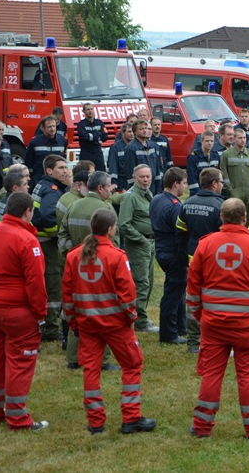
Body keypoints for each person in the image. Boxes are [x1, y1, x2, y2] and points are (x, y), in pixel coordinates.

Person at [187, 198, 249, 439]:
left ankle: (201, 427)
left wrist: (200, 315)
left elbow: (193, 286)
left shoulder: (205, 245)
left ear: (221, 217)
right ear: (244, 218)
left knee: (211, 374)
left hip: (213, 324)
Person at [63, 208, 156, 435]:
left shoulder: (73, 256)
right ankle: (131, 417)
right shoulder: (117, 256)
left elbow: (67, 296)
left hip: (87, 324)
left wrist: (75, 324)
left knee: (91, 371)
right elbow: (128, 294)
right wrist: (131, 318)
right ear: (111, 229)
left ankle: (95, 422)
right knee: (132, 365)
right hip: (115, 325)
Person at [0, 191, 49, 431]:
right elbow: (36, 283)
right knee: (20, 361)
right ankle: (18, 418)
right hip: (17, 311)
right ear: (28, 211)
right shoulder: (27, 240)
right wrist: (40, 314)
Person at [57, 171, 121, 371]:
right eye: (109, 186)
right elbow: (113, 242)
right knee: (103, 311)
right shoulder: (106, 208)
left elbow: (62, 233)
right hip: (99, 270)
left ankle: (74, 358)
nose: (111, 190)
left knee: (78, 310)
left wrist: (72, 254)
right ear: (100, 188)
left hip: (75, 266)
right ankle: (102, 360)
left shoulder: (74, 205)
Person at [177, 167, 225, 354]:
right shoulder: (220, 206)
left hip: (192, 259)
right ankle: (215, 342)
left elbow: (180, 232)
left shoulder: (187, 203)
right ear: (214, 184)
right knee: (216, 300)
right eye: (221, 182)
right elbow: (226, 237)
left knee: (193, 300)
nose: (222, 185)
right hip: (215, 262)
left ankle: (193, 343)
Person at [30, 154, 68, 342]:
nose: (65, 171)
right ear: (49, 171)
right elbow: (47, 217)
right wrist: (59, 234)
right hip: (47, 245)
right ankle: (52, 330)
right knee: (53, 287)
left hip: (39, 243)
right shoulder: (52, 190)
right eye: (60, 168)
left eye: (65, 167)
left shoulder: (42, 185)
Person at [150, 168, 189, 345]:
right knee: (173, 294)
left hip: (161, 249)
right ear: (176, 184)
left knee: (178, 290)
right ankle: (169, 333)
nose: (185, 187)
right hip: (173, 253)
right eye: (184, 183)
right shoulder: (175, 206)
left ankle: (181, 326)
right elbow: (180, 233)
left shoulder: (156, 199)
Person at [118, 164, 157, 333]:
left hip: (150, 243)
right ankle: (139, 320)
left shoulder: (148, 194)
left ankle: (141, 316)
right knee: (141, 282)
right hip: (138, 245)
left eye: (148, 176)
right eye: (142, 177)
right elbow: (124, 224)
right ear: (134, 178)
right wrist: (141, 239)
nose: (146, 180)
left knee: (149, 280)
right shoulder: (130, 197)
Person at [220, 128, 249, 223]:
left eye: (244, 138)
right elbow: (224, 174)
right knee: (236, 221)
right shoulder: (226, 154)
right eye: (240, 138)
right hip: (235, 195)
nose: (243, 140)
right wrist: (230, 190)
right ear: (234, 139)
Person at [124, 119, 163, 195]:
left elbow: (158, 168)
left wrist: (159, 187)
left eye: (146, 128)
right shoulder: (131, 148)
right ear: (135, 132)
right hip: (139, 189)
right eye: (141, 129)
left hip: (154, 187)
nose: (145, 131)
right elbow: (130, 172)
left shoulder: (153, 146)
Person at [25, 115, 68, 185]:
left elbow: (64, 159)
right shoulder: (34, 142)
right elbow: (28, 163)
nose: (52, 129)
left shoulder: (62, 141)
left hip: (58, 180)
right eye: (49, 127)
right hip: (39, 179)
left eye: (54, 126)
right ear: (42, 128)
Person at [187, 131, 220, 195]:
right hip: (198, 192)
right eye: (207, 141)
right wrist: (198, 193)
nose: (210, 143)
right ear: (202, 141)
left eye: (212, 141)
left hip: (213, 192)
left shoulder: (216, 156)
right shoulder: (193, 157)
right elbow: (191, 178)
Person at [76, 103, 108, 171]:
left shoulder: (100, 123)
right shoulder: (81, 124)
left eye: (91, 109)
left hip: (98, 153)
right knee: (85, 174)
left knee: (101, 173)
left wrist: (92, 136)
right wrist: (98, 134)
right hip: (86, 154)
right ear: (84, 112)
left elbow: (105, 136)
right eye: (88, 109)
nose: (90, 111)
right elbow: (85, 137)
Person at [108, 122, 135, 192]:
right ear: (122, 133)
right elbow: (113, 165)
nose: (132, 134)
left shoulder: (136, 146)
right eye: (129, 132)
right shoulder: (116, 147)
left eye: (133, 131)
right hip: (121, 182)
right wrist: (114, 182)